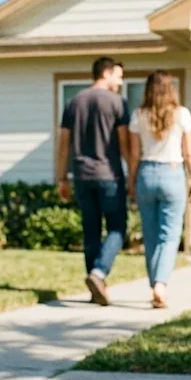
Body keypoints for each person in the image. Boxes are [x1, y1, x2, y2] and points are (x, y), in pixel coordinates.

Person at [56, 57, 130, 306]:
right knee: (117, 228)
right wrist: (133, 174)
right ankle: (98, 273)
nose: (120, 83)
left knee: (91, 231)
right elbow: (124, 144)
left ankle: (94, 288)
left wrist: (61, 178)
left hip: (81, 176)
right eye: (118, 76)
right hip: (109, 175)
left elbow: (64, 145)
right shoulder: (117, 102)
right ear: (106, 73)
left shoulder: (73, 102)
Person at [126, 70, 191, 308]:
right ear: (171, 89)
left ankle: (155, 284)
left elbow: (134, 154)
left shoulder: (138, 115)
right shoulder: (182, 114)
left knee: (150, 234)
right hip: (172, 172)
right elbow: (189, 152)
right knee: (169, 235)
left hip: (146, 173)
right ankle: (160, 284)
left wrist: (131, 181)